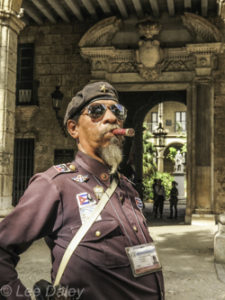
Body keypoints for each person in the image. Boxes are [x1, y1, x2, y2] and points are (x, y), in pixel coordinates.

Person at [0, 81, 164, 300]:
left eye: (117, 111)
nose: (111, 118)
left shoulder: (126, 187)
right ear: (73, 128)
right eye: (97, 111)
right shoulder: (56, 185)